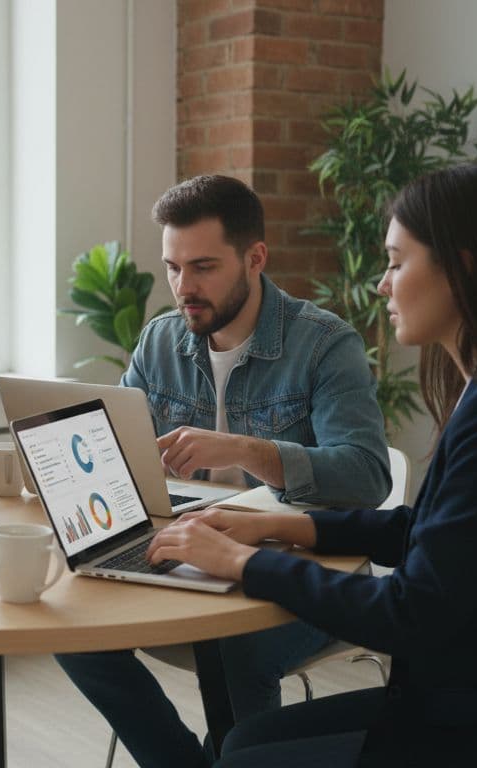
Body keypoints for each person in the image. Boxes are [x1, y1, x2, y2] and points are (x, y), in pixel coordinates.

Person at [150, 162, 477, 766]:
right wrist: (279, 526)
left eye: (397, 263)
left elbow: (408, 612)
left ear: (462, 269)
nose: (382, 285)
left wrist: (239, 561)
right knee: (242, 742)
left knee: (244, 758)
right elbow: (427, 532)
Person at [55, 174, 392, 768]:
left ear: (255, 258)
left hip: (301, 570)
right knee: (71, 628)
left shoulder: (324, 345)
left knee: (235, 647)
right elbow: (116, 451)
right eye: (173, 267)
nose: (184, 287)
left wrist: (245, 450)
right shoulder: (160, 342)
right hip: (188, 552)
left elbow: (367, 476)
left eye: (203, 267)